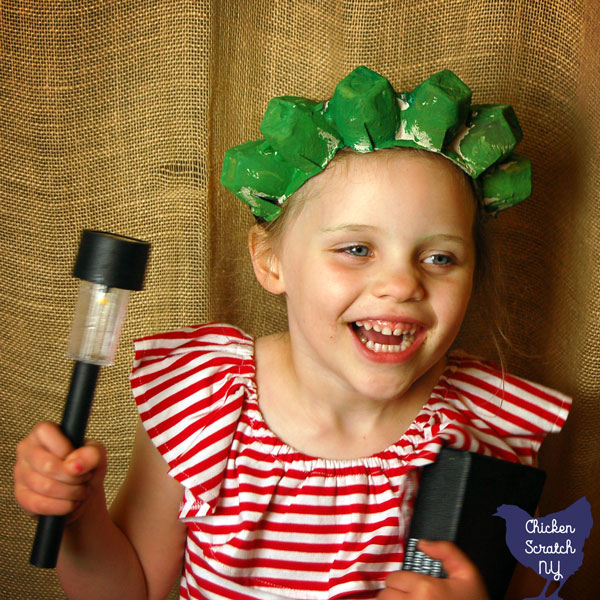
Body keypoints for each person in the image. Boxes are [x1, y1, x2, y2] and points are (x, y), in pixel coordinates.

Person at [14, 67, 571, 600]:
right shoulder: (203, 402)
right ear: (271, 260)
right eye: (356, 249)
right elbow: (130, 586)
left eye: (440, 256)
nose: (402, 283)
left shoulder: (489, 425)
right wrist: (78, 521)